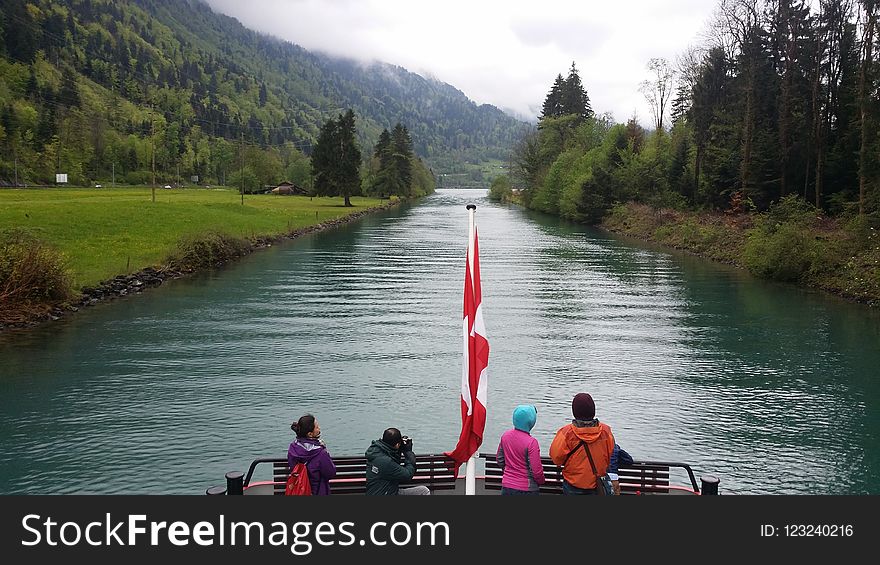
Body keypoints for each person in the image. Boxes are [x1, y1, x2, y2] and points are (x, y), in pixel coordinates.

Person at [549, 393, 616, 495]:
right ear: (593, 409)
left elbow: (556, 458)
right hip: (597, 485)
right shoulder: (606, 432)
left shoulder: (566, 433)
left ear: (574, 411)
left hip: (573, 485)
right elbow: (610, 453)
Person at [496, 404, 545, 495]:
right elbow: (536, 470)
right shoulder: (531, 443)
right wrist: (541, 481)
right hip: (527, 489)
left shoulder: (505, 436)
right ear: (531, 422)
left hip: (507, 485)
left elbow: (499, 459)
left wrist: (508, 473)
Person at [365, 427, 430, 495]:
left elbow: (393, 464)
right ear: (397, 444)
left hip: (381, 492)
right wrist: (408, 452)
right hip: (388, 494)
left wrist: (399, 449)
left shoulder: (376, 452)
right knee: (424, 491)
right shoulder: (386, 462)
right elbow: (407, 475)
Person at [288, 414, 337, 495]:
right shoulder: (321, 453)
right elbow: (330, 473)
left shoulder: (292, 448)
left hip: (298, 490)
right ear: (310, 434)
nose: (319, 428)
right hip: (317, 491)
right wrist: (324, 449)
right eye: (317, 427)